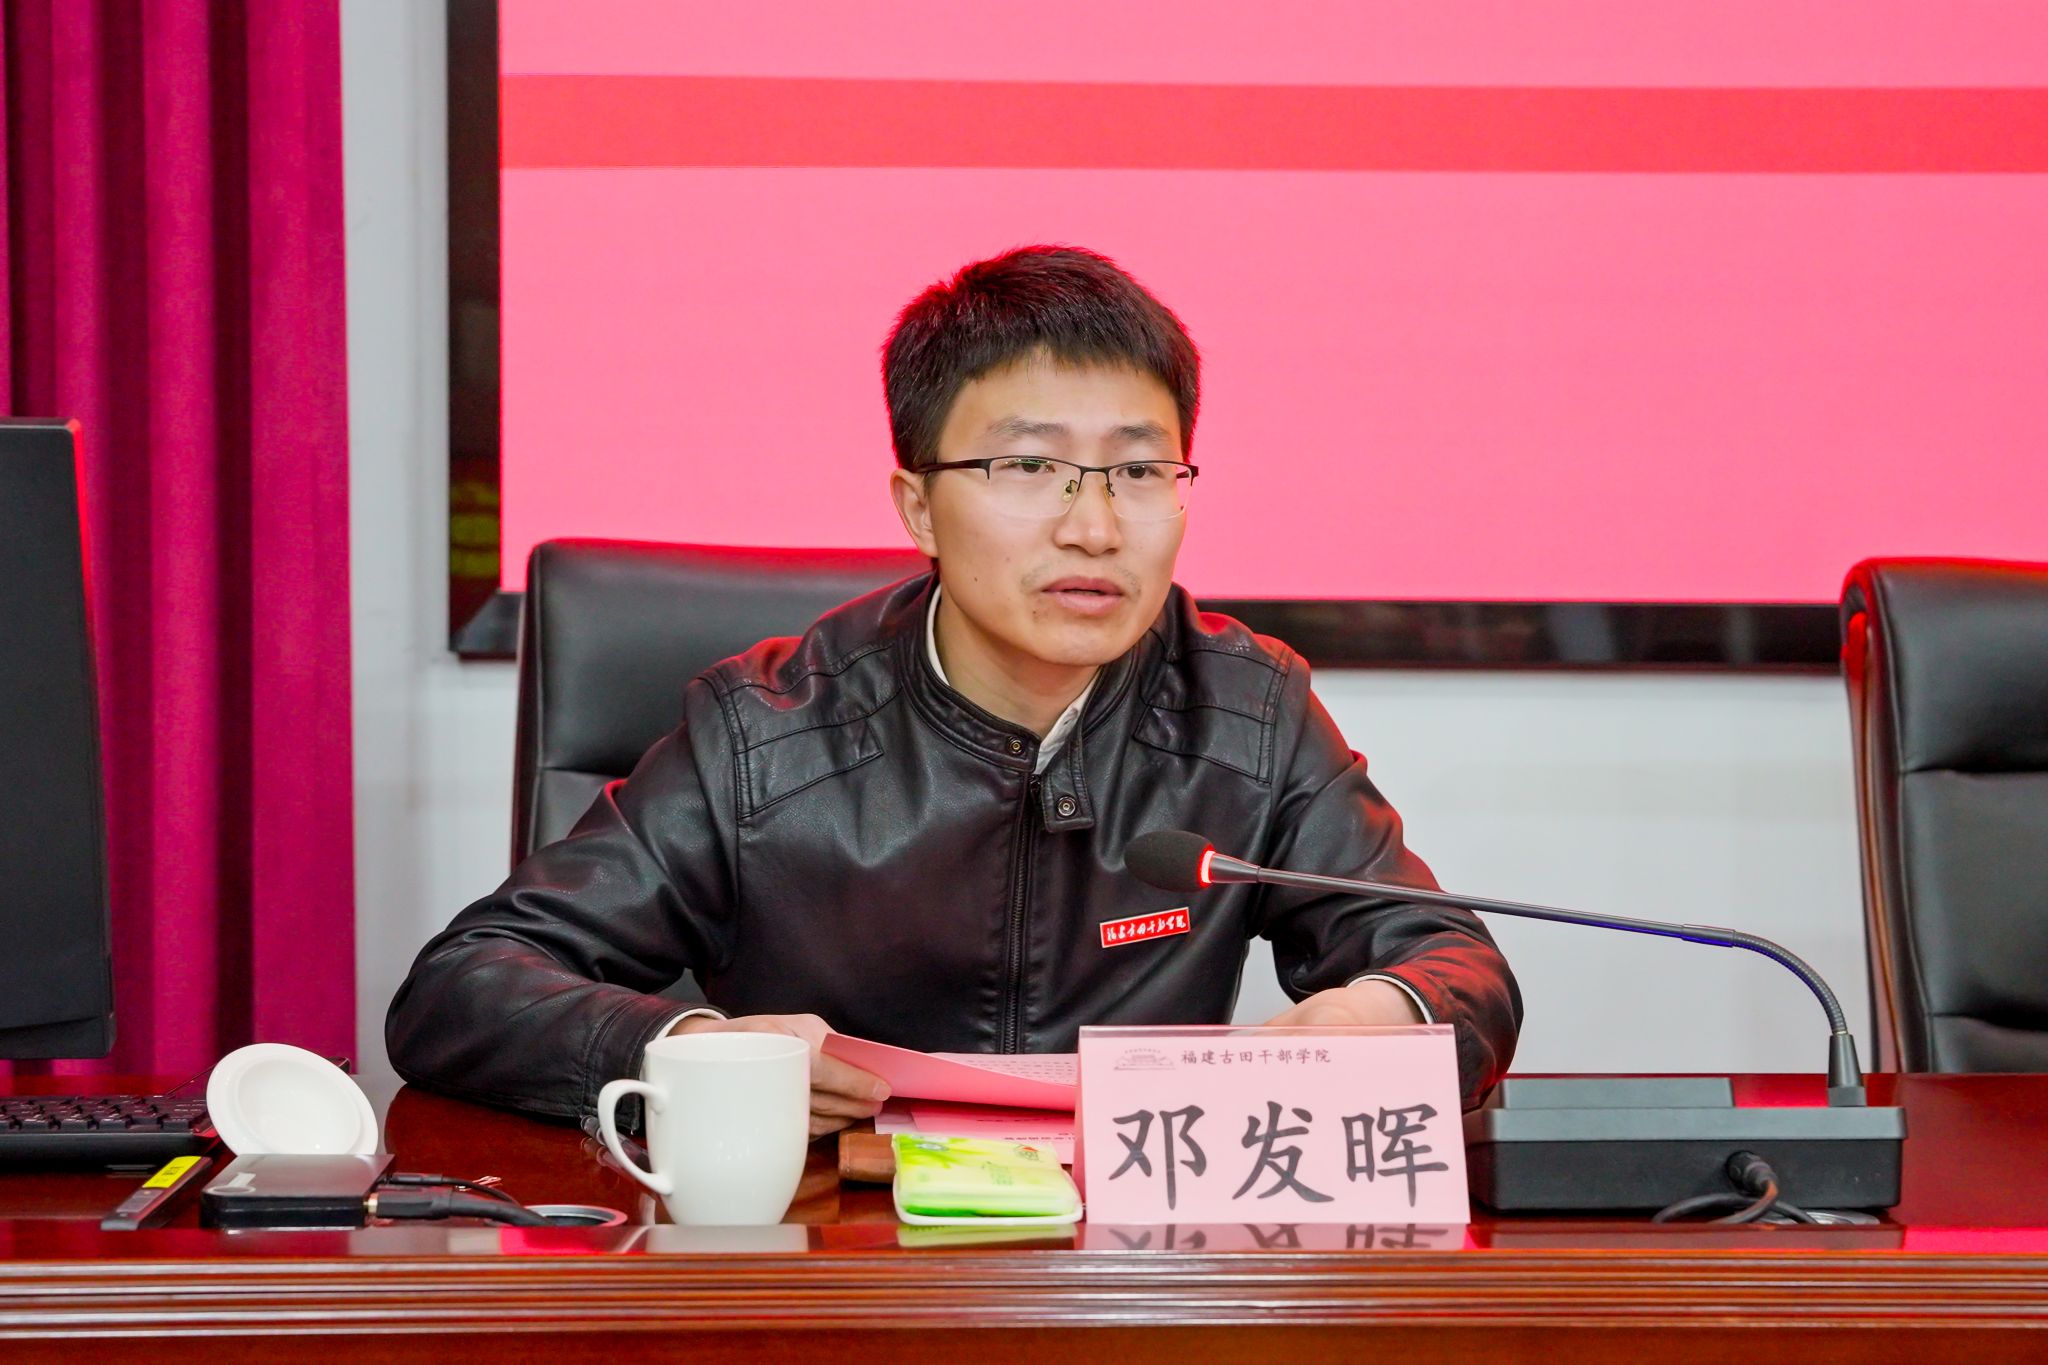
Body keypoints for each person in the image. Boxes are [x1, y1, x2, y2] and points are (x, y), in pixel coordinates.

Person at [387, 246, 1520, 1138]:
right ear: (918, 506)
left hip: (1119, 1270)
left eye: (1138, 469)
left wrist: (1384, 1013)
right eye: (1028, 467)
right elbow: (462, 986)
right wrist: (683, 1050)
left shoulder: (1246, 712)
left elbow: (1452, 961)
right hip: (829, 1260)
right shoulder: (767, 730)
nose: (1094, 526)